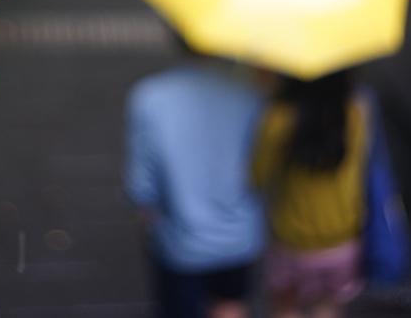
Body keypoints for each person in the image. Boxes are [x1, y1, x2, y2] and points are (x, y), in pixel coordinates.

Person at [124, 43, 268, 318]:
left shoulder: (151, 96)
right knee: (230, 303)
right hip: (240, 235)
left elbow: (141, 183)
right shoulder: (249, 90)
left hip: (180, 237)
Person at [250, 69, 370, 318]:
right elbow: (363, 166)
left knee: (286, 309)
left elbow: (258, 177)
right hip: (341, 238)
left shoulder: (279, 118)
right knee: (326, 309)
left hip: (291, 239)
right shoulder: (355, 113)